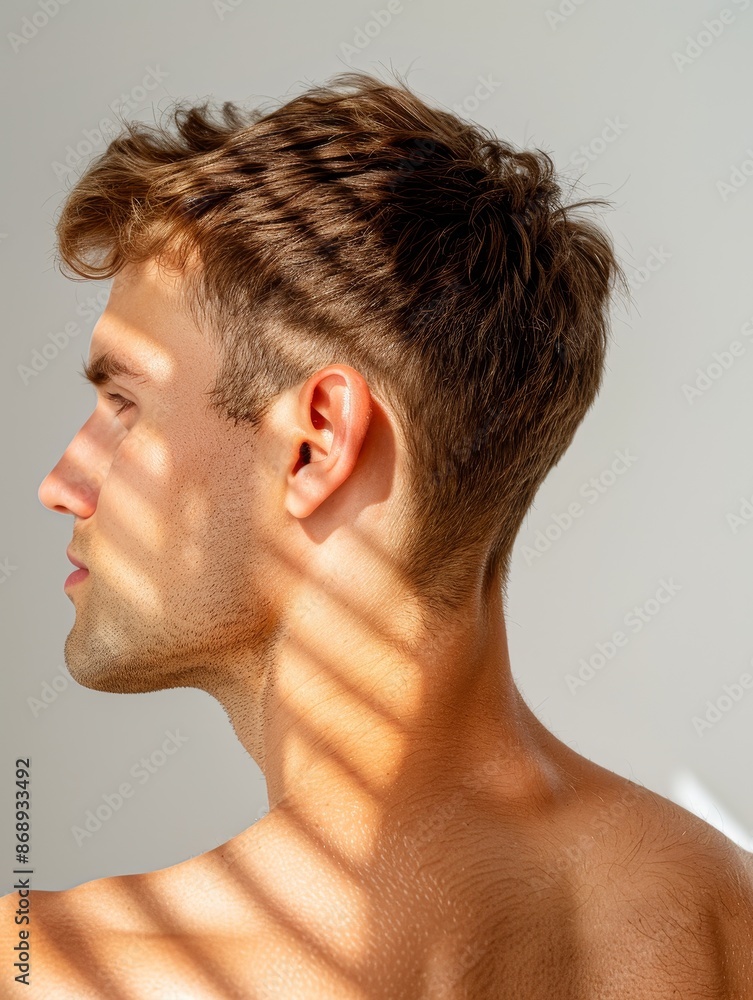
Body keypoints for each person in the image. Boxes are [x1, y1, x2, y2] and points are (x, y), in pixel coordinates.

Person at [3, 68, 751, 998]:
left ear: (316, 443)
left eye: (124, 404)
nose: (60, 484)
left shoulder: (63, 969)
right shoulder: (728, 916)